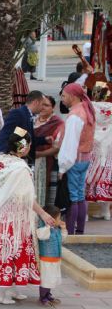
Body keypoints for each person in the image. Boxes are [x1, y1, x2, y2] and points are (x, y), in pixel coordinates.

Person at [0, 127, 55, 305]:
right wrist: (43, 213)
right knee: (11, 251)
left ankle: (9, 289)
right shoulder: (21, 168)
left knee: (4, 251)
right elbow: (27, 198)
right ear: (23, 147)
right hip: (15, 218)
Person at [59, 83, 96, 235]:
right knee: (80, 194)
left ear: (72, 96)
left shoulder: (75, 115)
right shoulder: (86, 110)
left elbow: (70, 144)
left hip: (75, 160)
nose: (62, 99)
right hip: (85, 158)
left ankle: (71, 231)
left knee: (73, 197)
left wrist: (62, 167)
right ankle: (80, 230)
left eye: (64, 96)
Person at [0, 90, 49, 164]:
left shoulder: (28, 115)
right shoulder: (18, 114)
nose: (43, 108)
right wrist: (4, 156)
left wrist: (45, 140)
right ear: (36, 102)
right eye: (42, 104)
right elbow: (5, 135)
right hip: (13, 161)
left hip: (22, 160)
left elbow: (26, 137)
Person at [86, 85, 112, 220]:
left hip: (94, 143)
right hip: (108, 144)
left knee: (89, 175)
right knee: (106, 175)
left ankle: (83, 214)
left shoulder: (91, 106)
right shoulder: (111, 107)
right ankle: (106, 212)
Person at [34, 95, 64, 207]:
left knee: (48, 194)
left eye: (46, 105)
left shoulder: (58, 123)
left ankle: (47, 219)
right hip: (31, 162)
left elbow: (57, 147)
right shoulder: (32, 119)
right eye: (41, 104)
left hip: (49, 163)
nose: (42, 107)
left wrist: (39, 154)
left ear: (53, 108)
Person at [36, 205, 67, 307]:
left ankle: (48, 294)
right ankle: (43, 297)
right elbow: (41, 236)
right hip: (46, 260)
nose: (60, 220)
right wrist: (48, 226)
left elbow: (62, 239)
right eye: (58, 218)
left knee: (51, 278)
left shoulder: (56, 229)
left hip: (55, 260)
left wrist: (63, 229)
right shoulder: (43, 228)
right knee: (46, 279)